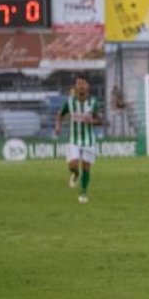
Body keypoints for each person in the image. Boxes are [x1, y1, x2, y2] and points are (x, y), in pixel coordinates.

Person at [55, 76, 103, 204]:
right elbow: (60, 115)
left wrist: (92, 120)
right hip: (74, 140)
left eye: (83, 83)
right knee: (73, 165)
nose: (81, 85)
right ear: (75, 87)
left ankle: (83, 192)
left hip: (89, 140)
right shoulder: (70, 102)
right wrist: (58, 126)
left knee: (86, 167)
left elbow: (100, 120)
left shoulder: (93, 102)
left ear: (87, 86)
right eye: (78, 83)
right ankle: (75, 174)